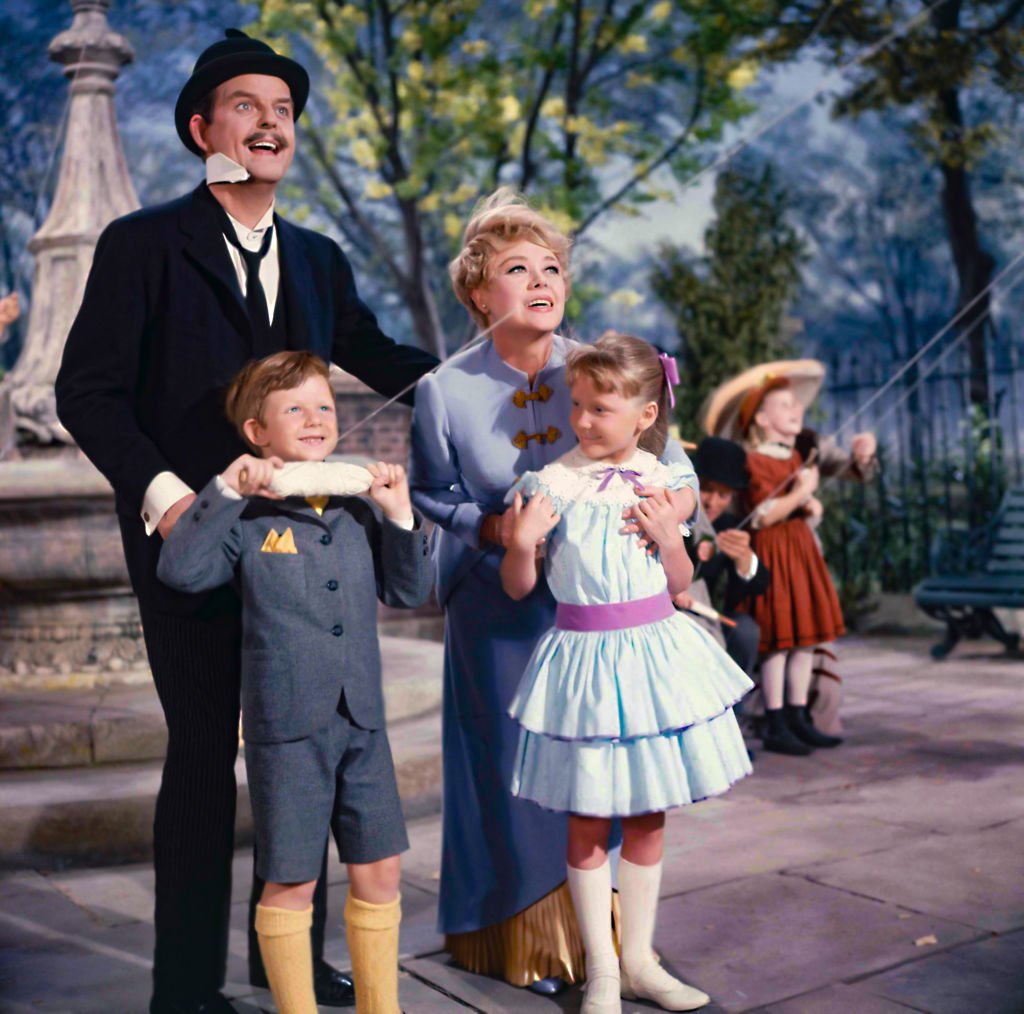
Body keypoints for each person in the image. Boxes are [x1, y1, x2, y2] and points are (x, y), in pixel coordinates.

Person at [54, 30, 437, 1014]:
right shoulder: (140, 244)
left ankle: (287, 965)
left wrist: (500, 381)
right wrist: (167, 495)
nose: (271, 121)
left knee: (297, 746)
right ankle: (183, 991)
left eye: (285, 109)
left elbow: (379, 355)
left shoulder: (317, 257)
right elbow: (87, 394)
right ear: (200, 128)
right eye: (246, 105)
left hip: (300, 551)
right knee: (200, 751)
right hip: (192, 537)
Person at [409, 190, 696, 993]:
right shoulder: (444, 389)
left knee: (608, 771)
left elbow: (670, 457)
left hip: (604, 612)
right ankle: (517, 940)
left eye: (553, 267)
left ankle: (613, 946)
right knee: (514, 767)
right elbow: (434, 495)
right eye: (516, 268)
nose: (542, 280)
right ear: (478, 294)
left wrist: (678, 508)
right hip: (499, 606)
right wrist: (494, 529)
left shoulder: (600, 365)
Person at [157, 352, 428, 1014]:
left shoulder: (358, 509)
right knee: (292, 879)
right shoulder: (244, 517)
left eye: (325, 407)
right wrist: (225, 489)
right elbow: (181, 572)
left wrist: (398, 514)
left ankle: (380, 1007)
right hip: (288, 726)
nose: (315, 419)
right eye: (294, 409)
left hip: (362, 718)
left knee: (380, 870)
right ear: (256, 432)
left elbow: (410, 588)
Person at [501, 333, 752, 1013]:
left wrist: (674, 540)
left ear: (645, 413)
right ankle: (602, 970)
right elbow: (521, 586)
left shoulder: (667, 482)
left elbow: (679, 581)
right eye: (577, 405)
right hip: (583, 661)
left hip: (651, 658)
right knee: (586, 819)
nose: (583, 420)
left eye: (600, 409)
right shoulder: (549, 483)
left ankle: (640, 959)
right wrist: (521, 544)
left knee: (647, 815)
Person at [736, 377, 846, 756]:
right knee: (779, 640)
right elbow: (764, 517)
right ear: (762, 420)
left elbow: (797, 506)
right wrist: (801, 493)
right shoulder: (756, 460)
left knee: (805, 637)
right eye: (784, 405)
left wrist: (810, 505)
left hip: (799, 549)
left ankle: (800, 716)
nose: (796, 410)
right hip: (775, 552)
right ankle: (776, 719)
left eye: (795, 405)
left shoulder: (796, 457)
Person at [675, 435, 769, 678]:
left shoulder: (730, 525)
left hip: (710, 616)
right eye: (706, 490)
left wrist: (744, 560)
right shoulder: (675, 515)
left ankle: (735, 710)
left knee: (745, 631)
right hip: (668, 615)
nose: (712, 502)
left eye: (723, 495)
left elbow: (759, 584)